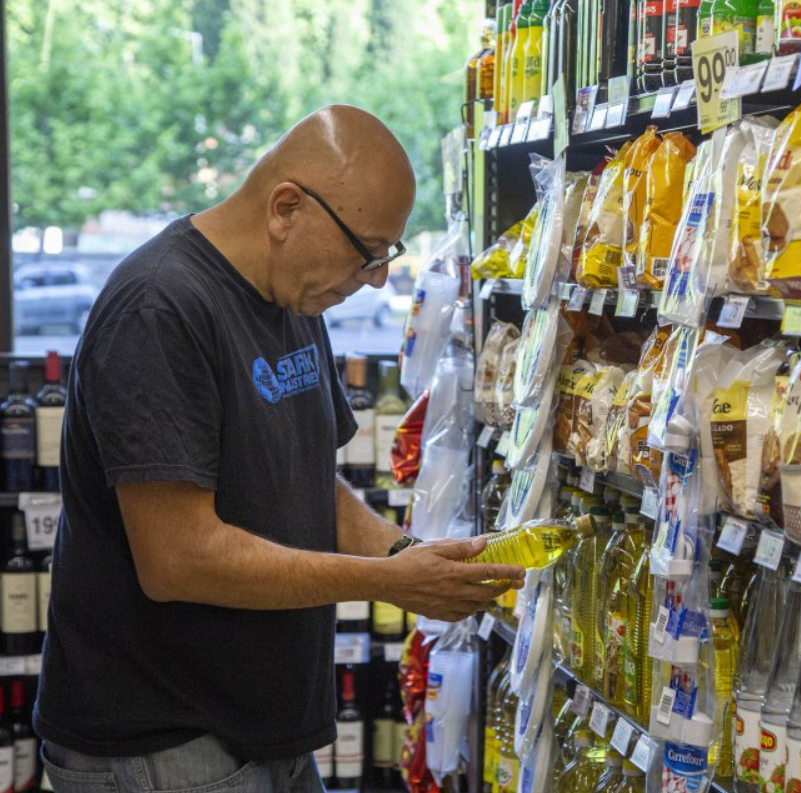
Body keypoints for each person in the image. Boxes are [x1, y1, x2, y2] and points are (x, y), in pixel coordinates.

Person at [33, 105, 524, 793]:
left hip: (263, 729)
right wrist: (386, 583)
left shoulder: (292, 300)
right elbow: (176, 558)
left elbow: (301, 478)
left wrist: (401, 554)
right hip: (165, 744)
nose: (378, 277)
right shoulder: (159, 309)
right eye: (367, 250)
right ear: (286, 207)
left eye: (388, 253)